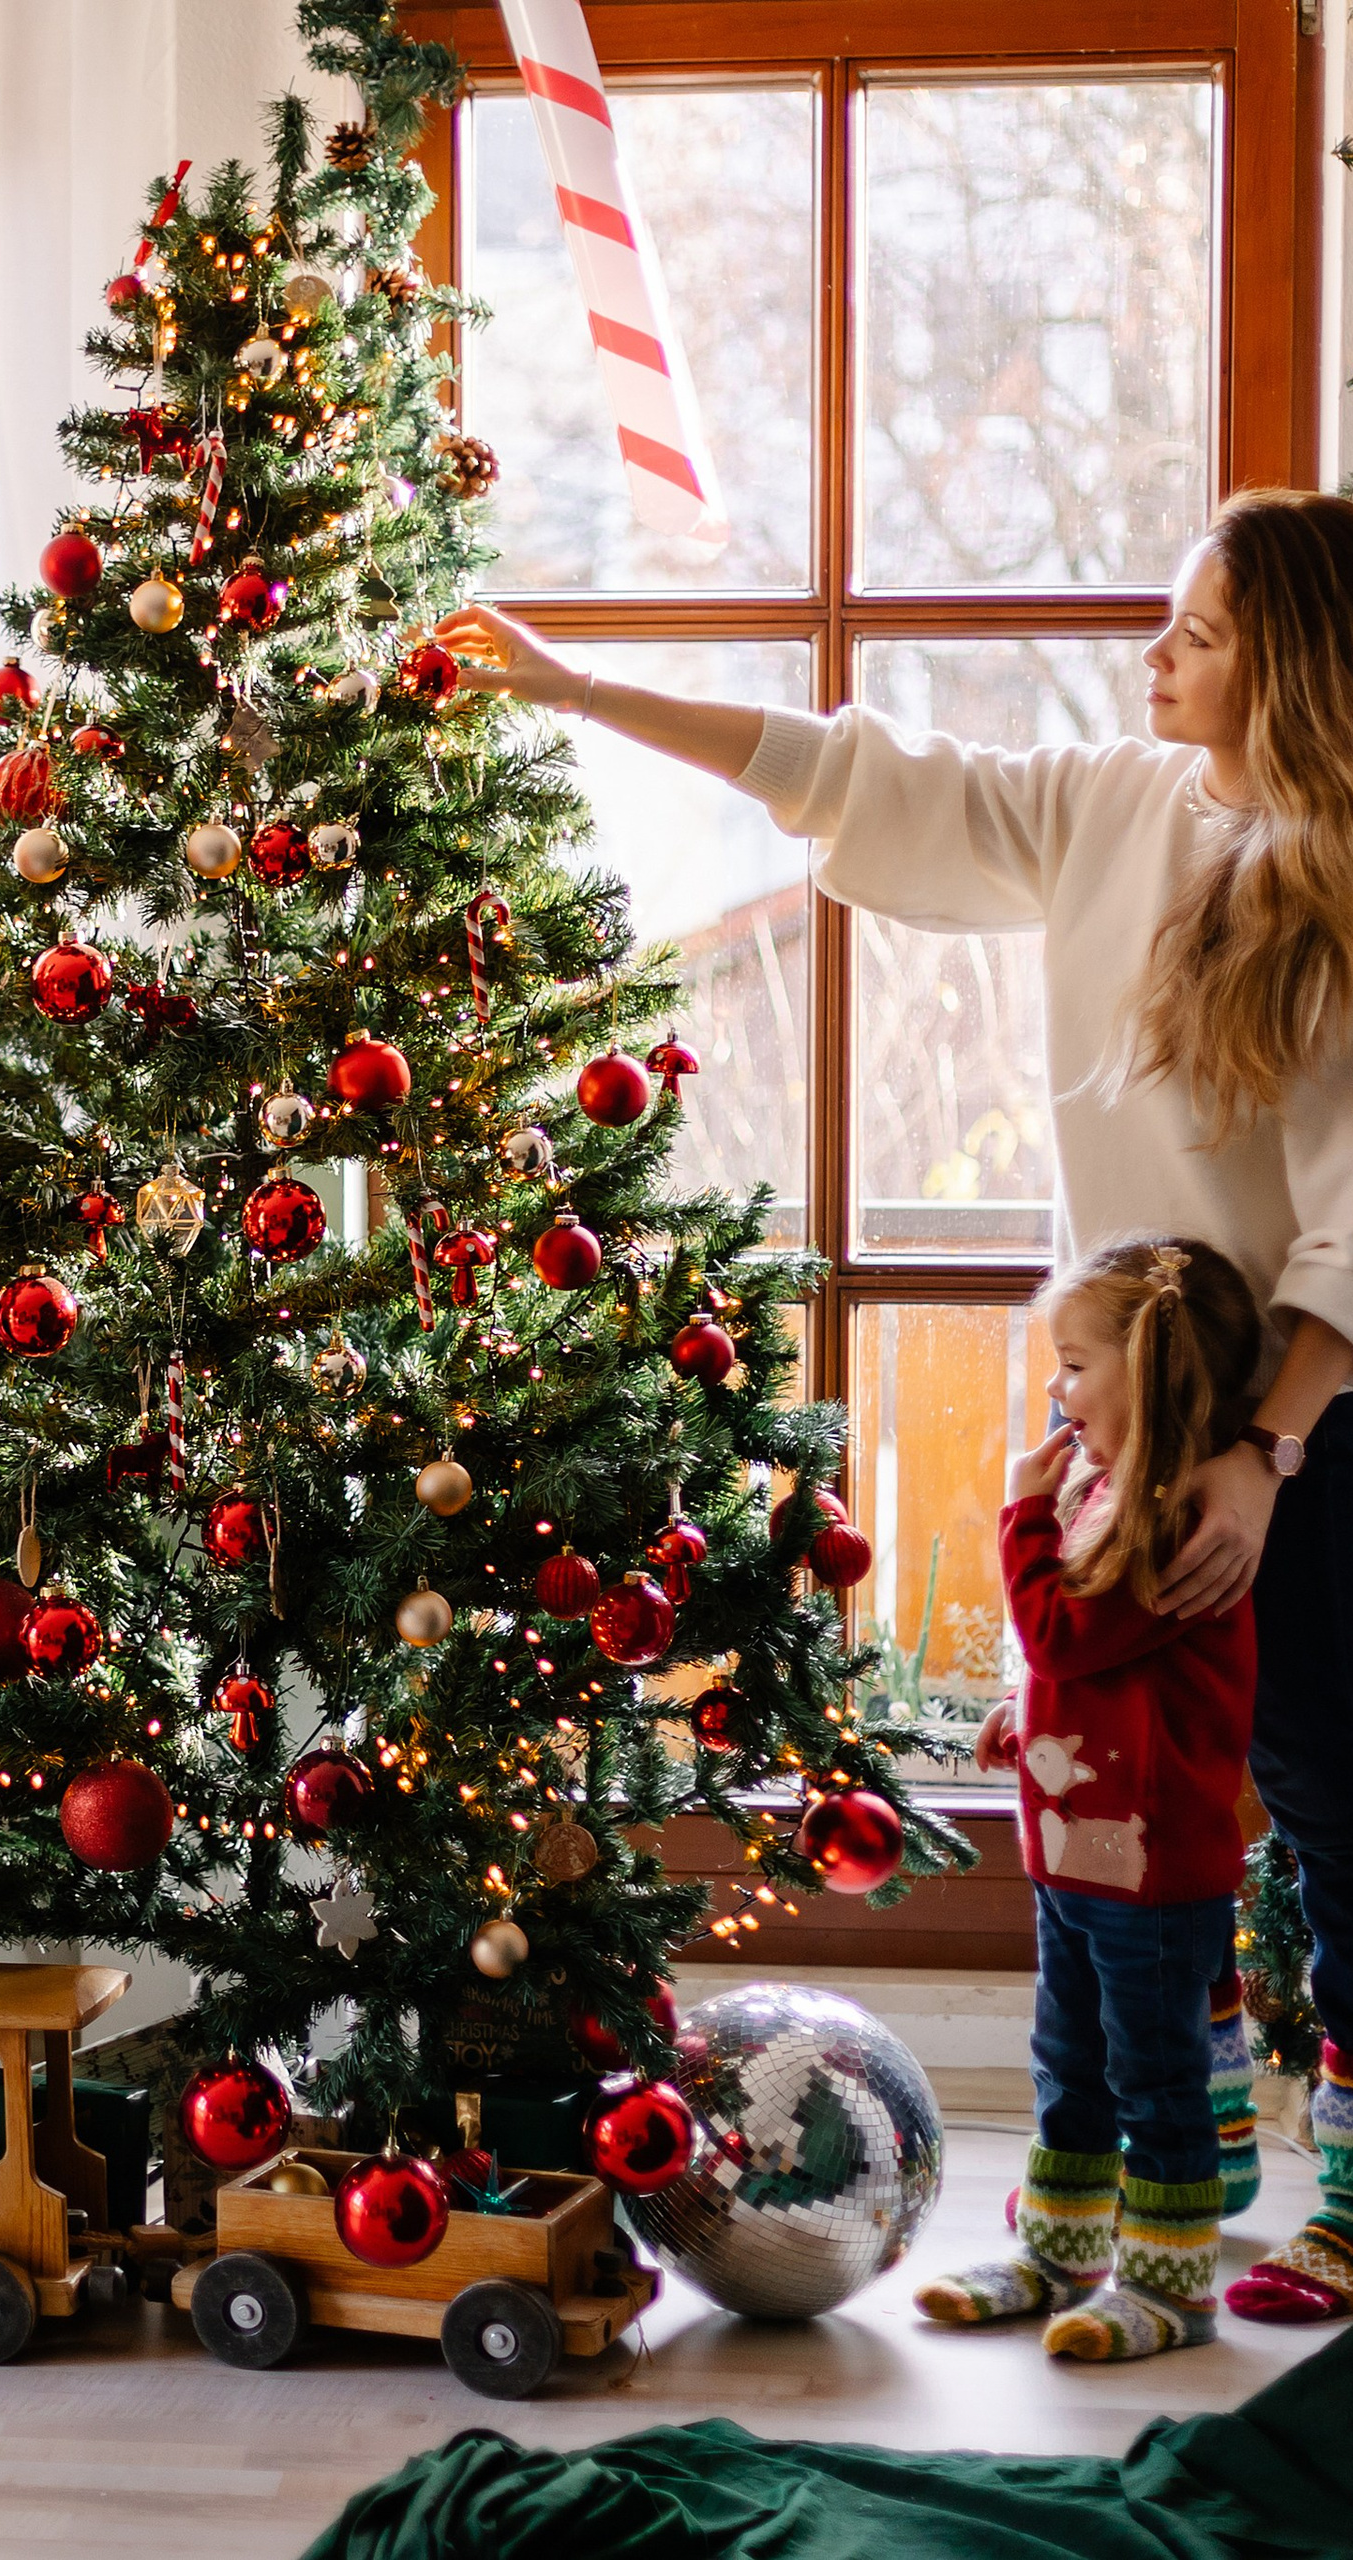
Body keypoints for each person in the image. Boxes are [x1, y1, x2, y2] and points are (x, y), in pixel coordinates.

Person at [434, 486, 1353, 2324]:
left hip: (1303, 1426)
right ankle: (1189, 2134)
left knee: (1334, 1795)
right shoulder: (1116, 807)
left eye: (1197, 632)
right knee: (1149, 1779)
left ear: (1299, 666)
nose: (1151, 654)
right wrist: (567, 687)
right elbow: (855, 771)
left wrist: (1267, 1456)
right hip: (1137, 1433)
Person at [912, 1238, 1259, 2359]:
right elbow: (1105, 1667)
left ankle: (1169, 2285)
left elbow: (1067, 1627)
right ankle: (1060, 2250)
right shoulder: (1108, 1491)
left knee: (1154, 2079)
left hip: (1154, 1879)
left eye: (1071, 1366)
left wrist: (1015, 1518)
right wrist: (1033, 1715)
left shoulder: (1179, 1517)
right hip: (1078, 1857)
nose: (1054, 1392)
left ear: (1149, 1371)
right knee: (1067, 2062)